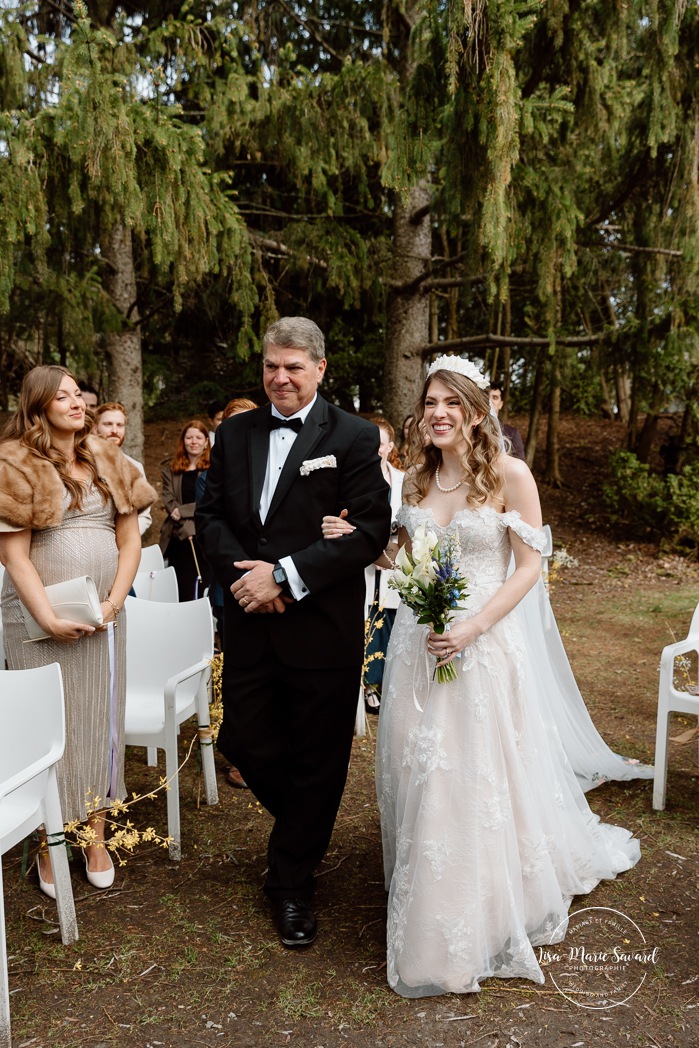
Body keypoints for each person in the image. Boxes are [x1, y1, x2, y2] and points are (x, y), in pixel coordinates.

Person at [327, 355, 641, 996]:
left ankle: (477, 911)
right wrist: (358, 537)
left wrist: (473, 626)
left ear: (476, 411)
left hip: (484, 642)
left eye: (453, 403)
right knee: (423, 764)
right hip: (420, 641)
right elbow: (406, 554)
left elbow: (528, 568)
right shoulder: (416, 478)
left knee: (473, 768)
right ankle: (431, 885)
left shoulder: (509, 475)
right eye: (431, 403)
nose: (439, 414)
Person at [196, 316, 391, 948]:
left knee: (319, 753)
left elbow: (368, 534)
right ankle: (308, 825)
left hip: (322, 628)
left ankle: (291, 884)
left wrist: (285, 575)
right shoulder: (234, 434)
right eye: (271, 366)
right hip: (250, 622)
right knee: (245, 742)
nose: (280, 378)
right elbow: (211, 518)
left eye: (293, 368)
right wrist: (247, 581)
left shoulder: (355, 438)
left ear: (320, 369)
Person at [0, 366, 155, 896]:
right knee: (51, 727)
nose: (75, 403)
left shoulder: (109, 458)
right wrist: (45, 615)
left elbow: (130, 540)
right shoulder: (15, 461)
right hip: (36, 619)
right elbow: (14, 554)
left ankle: (94, 834)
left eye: (77, 395)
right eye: (61, 396)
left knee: (98, 720)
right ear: (39, 406)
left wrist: (113, 603)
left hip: (104, 616)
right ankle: (48, 842)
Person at [196, 396, 258, 791]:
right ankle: (239, 754)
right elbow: (211, 520)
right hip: (232, 576)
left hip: (278, 578)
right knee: (238, 667)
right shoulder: (215, 470)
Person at [159, 420, 211, 601]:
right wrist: (176, 512)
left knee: (200, 584)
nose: (193, 441)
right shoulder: (171, 471)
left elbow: (208, 501)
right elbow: (168, 497)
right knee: (180, 586)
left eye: (198, 437)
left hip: (203, 535)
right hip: (177, 535)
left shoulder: (213, 469)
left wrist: (184, 512)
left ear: (206, 441)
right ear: (183, 441)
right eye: (189, 437)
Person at [93, 402, 154, 537]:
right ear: (95, 428)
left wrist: (126, 538)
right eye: (108, 424)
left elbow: (145, 516)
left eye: (119, 425)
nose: (114, 430)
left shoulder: (135, 467)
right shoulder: (83, 462)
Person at [489, 382, 525, 460]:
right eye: (486, 396)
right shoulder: (470, 429)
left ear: (501, 404)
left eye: (495, 397)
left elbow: (520, 464)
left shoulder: (512, 433)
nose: (490, 401)